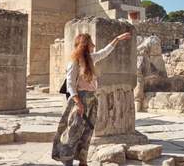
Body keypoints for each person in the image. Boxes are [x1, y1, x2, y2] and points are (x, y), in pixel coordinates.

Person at [52, 32, 132, 166]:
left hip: (92, 99)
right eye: (90, 43)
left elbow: (104, 52)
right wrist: (78, 103)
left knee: (88, 132)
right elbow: (70, 85)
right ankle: (67, 162)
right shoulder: (74, 62)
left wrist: (117, 39)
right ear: (84, 45)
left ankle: (83, 161)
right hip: (79, 99)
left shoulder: (90, 59)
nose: (93, 46)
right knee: (73, 132)